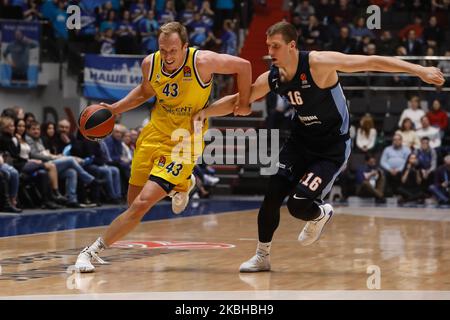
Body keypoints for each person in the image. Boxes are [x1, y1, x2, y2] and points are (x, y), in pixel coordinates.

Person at [193, 21, 444, 272]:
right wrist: (203, 113)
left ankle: (320, 214)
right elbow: (240, 100)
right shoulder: (273, 77)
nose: (271, 51)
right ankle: (262, 255)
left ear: (292, 46)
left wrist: (419, 70)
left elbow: (372, 62)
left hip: (331, 148)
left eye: (276, 46)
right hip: (300, 142)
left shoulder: (319, 64)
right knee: (272, 195)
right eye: (269, 46)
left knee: (298, 205)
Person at [74, 21, 251, 272]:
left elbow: (244, 66)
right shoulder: (150, 63)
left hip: (186, 139)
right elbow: (145, 91)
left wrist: (243, 102)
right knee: (133, 202)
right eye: (163, 49)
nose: (167, 56)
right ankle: (184, 183)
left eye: (173, 51)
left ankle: (91, 251)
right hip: (154, 132)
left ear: (185, 47)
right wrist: (115, 108)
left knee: (142, 204)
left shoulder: (203, 61)